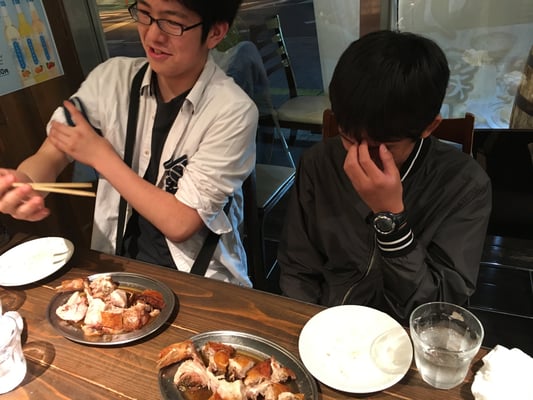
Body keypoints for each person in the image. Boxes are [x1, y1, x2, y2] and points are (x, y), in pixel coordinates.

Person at [0, 0, 258, 286]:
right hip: (116, 265)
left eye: (172, 22)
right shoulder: (112, 79)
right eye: (145, 14)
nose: (153, 35)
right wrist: (25, 182)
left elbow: (181, 223)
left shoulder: (233, 111)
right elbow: (53, 151)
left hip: (197, 279)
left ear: (215, 33)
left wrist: (101, 157)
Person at [277, 30, 492, 322]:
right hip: (328, 323)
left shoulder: (466, 185)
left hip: (406, 333)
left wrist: (391, 221)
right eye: (348, 138)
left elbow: (439, 308)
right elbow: (297, 268)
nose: (360, 157)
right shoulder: (319, 161)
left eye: (382, 147)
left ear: (429, 127)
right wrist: (307, 323)